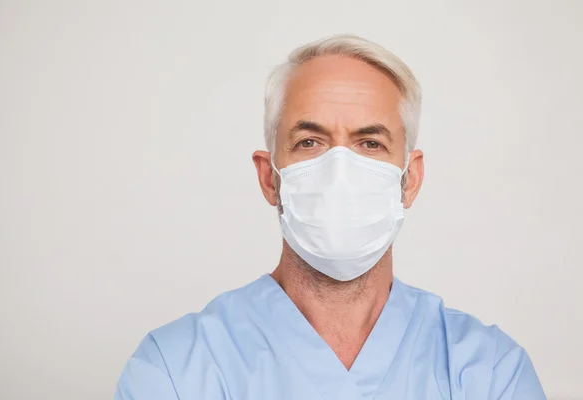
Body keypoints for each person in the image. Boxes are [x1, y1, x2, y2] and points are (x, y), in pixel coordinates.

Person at [114, 34, 546, 399]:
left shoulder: (489, 373)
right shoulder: (175, 371)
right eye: (310, 142)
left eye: (370, 144)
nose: (340, 171)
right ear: (270, 178)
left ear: (409, 179)